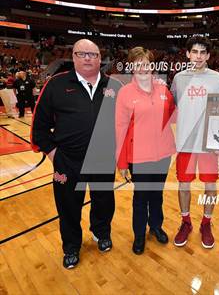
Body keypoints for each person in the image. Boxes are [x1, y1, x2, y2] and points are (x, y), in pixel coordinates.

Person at [31, 39, 122, 269]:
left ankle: (101, 232)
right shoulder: (56, 85)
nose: (88, 58)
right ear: (73, 57)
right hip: (67, 162)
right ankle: (71, 246)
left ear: (100, 59)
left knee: (103, 201)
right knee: (68, 206)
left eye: (93, 54)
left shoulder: (115, 86)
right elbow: (39, 126)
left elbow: (125, 124)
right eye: (82, 54)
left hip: (103, 160)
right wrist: (53, 154)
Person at [116, 47, 176, 255]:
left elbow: (173, 116)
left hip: (163, 155)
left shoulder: (163, 90)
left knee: (157, 194)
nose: (142, 68)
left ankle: (156, 226)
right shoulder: (124, 93)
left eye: (146, 63)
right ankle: (139, 233)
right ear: (131, 67)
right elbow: (120, 129)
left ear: (152, 66)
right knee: (141, 197)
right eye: (137, 64)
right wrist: (122, 162)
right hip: (139, 157)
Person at [170, 36, 219, 249]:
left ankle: (206, 223)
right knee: (184, 185)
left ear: (208, 56)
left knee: (210, 186)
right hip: (185, 142)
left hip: (209, 143)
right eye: (195, 52)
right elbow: (170, 106)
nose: (198, 56)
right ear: (188, 54)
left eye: (203, 52)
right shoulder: (178, 79)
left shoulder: (218, 78)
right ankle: (186, 222)